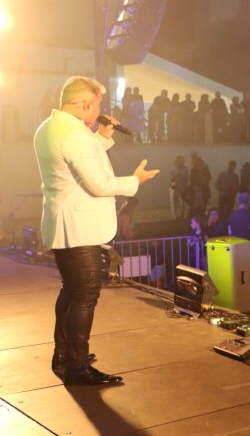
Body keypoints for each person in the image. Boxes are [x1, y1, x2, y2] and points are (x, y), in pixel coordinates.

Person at [34, 75, 159, 385]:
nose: (101, 110)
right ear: (87, 105)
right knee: (85, 295)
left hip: (65, 223)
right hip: (80, 229)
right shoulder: (75, 135)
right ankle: (77, 367)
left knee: (71, 291)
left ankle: (65, 355)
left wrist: (101, 136)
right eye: (99, 104)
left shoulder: (50, 127)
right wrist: (135, 181)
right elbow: (99, 184)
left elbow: (76, 165)